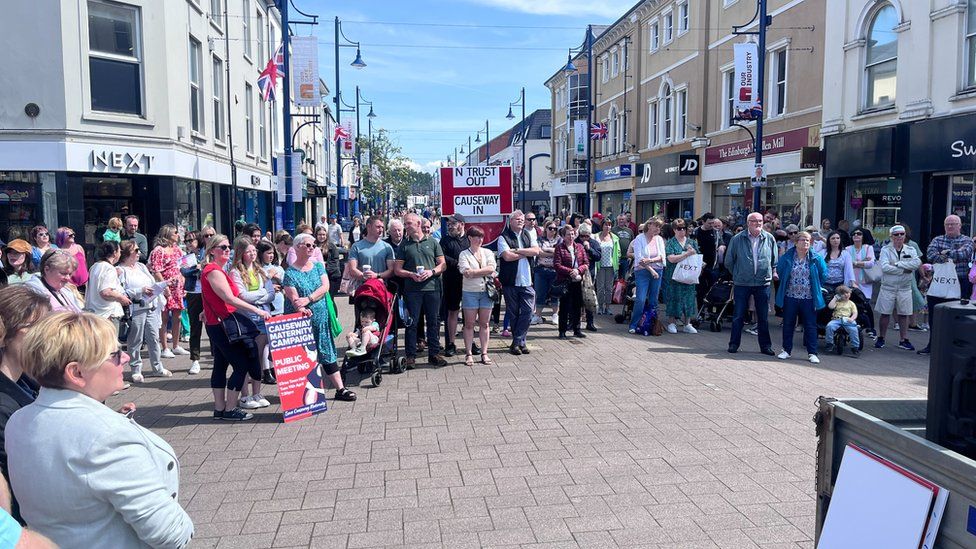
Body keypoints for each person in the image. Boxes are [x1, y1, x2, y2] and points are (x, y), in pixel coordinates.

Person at [6, 312, 194, 548]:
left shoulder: (19, 420)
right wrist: (185, 526)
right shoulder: (107, 436)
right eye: (114, 355)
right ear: (76, 373)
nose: (125, 357)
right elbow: (169, 533)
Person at [202, 235, 274, 420]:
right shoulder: (213, 270)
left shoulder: (218, 270)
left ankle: (220, 409)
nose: (227, 250)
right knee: (241, 365)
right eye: (222, 247)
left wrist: (204, 311)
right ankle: (230, 409)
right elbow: (230, 298)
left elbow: (213, 297)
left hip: (217, 322)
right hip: (222, 324)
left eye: (228, 247)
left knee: (220, 365)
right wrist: (257, 311)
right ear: (212, 251)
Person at [283, 233, 356, 401]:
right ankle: (303, 395)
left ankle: (340, 389)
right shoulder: (290, 274)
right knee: (303, 357)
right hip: (300, 324)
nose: (311, 248)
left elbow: (325, 286)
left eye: (313, 245)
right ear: (297, 247)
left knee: (327, 353)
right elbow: (293, 298)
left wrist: (308, 299)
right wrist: (300, 306)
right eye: (307, 245)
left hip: (321, 320)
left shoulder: (317, 266)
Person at [0, 286, 50, 524]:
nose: (47, 337)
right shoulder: (3, 404)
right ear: (6, 334)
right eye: (38, 328)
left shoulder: (28, 381)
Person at [394, 213, 448, 367]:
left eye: (409, 223)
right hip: (412, 290)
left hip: (433, 288)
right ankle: (410, 355)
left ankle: (434, 353)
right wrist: (411, 274)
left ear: (418, 223)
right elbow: (397, 269)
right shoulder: (404, 245)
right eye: (405, 223)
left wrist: (431, 272)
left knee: (433, 321)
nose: (406, 226)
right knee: (412, 322)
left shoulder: (432, 242)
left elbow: (442, 265)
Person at [228, 237, 273, 409]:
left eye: (254, 251)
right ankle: (244, 395)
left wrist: (261, 294)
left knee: (260, 356)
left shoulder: (260, 270)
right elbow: (242, 296)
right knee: (248, 356)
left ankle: (257, 392)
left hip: (263, 316)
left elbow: (271, 294)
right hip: (246, 317)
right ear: (241, 253)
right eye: (249, 251)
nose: (253, 254)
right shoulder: (235, 272)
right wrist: (262, 294)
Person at [919, 215, 974, 355]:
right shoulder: (937, 239)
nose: (950, 227)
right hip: (938, 282)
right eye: (947, 224)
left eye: (953, 224)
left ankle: (954, 348)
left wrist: (945, 253)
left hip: (960, 283)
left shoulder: (966, 240)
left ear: (960, 226)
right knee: (935, 316)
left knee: (957, 316)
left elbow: (965, 253)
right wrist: (950, 256)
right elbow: (931, 254)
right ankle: (933, 345)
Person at [725, 212, 778, 355]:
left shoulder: (769, 238)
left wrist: (770, 273)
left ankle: (765, 346)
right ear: (748, 223)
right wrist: (738, 274)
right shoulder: (737, 239)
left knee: (763, 317)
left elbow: (774, 260)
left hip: (762, 283)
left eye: (760, 221)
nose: (758, 223)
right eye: (754, 221)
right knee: (738, 315)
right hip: (742, 282)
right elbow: (729, 261)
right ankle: (734, 344)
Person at [118, 241, 171, 383]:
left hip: (151, 305)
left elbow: (151, 281)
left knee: (154, 338)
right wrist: (140, 290)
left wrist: (162, 285)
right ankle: (136, 369)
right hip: (136, 308)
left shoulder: (141, 266)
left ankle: (157, 367)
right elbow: (121, 292)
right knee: (135, 339)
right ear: (127, 253)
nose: (139, 252)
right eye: (136, 250)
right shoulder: (120, 270)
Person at [774, 231, 827, 363]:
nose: (805, 242)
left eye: (808, 240)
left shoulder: (816, 257)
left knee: (810, 325)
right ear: (796, 242)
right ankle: (786, 350)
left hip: (808, 297)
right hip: (790, 295)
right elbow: (780, 270)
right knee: (788, 323)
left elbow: (823, 274)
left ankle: (812, 353)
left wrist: (815, 285)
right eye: (802, 240)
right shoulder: (788, 256)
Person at [497, 210, 541, 355]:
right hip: (510, 282)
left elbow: (536, 251)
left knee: (528, 312)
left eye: (522, 219)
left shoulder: (527, 235)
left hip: (527, 281)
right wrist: (525, 252)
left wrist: (518, 250)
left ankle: (517, 341)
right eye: (518, 219)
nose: (521, 221)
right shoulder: (503, 237)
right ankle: (521, 343)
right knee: (514, 313)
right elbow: (507, 257)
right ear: (511, 221)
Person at [875, 225, 922, 351]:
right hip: (888, 287)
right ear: (891, 237)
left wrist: (897, 264)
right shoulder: (885, 250)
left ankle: (904, 339)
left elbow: (917, 263)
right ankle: (881, 337)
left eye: (902, 234)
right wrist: (904, 269)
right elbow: (884, 267)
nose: (899, 237)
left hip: (904, 287)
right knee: (885, 313)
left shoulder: (911, 249)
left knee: (904, 314)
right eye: (896, 234)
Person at [457, 226, 497, 366]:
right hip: (470, 292)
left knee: (485, 324)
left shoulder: (488, 252)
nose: (480, 240)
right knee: (469, 324)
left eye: (481, 237)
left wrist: (474, 272)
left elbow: (492, 268)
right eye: (476, 237)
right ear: (469, 238)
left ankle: (484, 353)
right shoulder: (464, 254)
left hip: (486, 292)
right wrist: (483, 272)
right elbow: (466, 272)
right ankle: (468, 353)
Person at [148, 224, 188, 359]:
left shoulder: (177, 250)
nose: (177, 234)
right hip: (165, 286)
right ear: (167, 234)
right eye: (175, 232)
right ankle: (164, 347)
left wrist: (184, 283)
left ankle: (176, 345)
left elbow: (182, 267)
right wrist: (164, 287)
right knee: (164, 317)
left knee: (178, 316)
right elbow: (156, 271)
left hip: (178, 287)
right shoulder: (159, 251)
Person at [628, 218, 667, 334]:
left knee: (654, 300)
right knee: (640, 299)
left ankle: (652, 324)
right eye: (657, 226)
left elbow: (662, 257)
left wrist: (650, 260)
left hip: (658, 270)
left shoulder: (659, 239)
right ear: (649, 225)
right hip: (642, 272)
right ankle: (634, 324)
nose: (658, 229)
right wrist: (651, 269)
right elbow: (639, 259)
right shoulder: (639, 239)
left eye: (660, 227)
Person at [438, 214, 469, 356]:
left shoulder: (469, 239)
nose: (449, 225)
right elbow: (441, 257)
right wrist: (459, 264)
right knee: (452, 311)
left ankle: (470, 342)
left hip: (469, 280)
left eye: (453, 223)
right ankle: (451, 343)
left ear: (461, 224)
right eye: (448, 223)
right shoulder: (445, 240)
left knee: (470, 312)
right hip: (451, 280)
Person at [84, 241, 130, 334]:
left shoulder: (94, 266)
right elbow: (105, 292)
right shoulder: (109, 268)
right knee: (110, 347)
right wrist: (121, 298)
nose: (120, 254)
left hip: (94, 314)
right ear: (114, 253)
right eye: (119, 251)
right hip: (108, 315)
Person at [664, 219, 700, 334]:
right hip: (674, 277)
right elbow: (671, 258)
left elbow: (697, 256)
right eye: (679, 228)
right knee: (674, 298)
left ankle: (687, 323)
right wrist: (686, 254)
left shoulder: (692, 242)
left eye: (684, 228)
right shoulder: (671, 243)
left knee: (689, 299)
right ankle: (672, 322)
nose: (682, 230)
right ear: (674, 229)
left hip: (688, 277)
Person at [554, 225, 589, 339]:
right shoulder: (559, 248)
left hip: (578, 281)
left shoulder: (579, 247)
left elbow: (586, 263)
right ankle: (562, 331)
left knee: (577, 306)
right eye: (568, 234)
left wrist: (578, 271)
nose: (571, 236)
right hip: (565, 281)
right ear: (563, 236)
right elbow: (557, 265)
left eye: (573, 234)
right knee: (564, 307)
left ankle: (577, 329)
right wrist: (571, 272)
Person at [180, 231, 205, 375]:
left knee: (214, 325)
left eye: (191, 240)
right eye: (187, 241)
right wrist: (196, 268)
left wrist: (200, 267)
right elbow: (184, 271)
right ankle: (195, 360)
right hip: (193, 293)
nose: (189, 243)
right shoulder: (186, 257)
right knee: (195, 327)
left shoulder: (206, 252)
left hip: (208, 292)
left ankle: (217, 356)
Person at [534, 220, 560, 324]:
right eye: (550, 228)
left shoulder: (559, 240)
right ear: (546, 229)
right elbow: (538, 252)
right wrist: (552, 251)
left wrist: (546, 250)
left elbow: (559, 252)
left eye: (555, 229)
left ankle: (555, 315)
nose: (552, 230)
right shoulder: (540, 239)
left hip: (555, 270)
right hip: (541, 269)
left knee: (555, 293)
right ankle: (538, 316)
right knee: (540, 293)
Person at [824, 285, 860, 356]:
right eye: (843, 294)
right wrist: (835, 298)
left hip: (847, 320)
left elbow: (855, 313)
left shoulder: (851, 303)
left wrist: (852, 319)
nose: (846, 295)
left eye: (847, 293)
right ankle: (829, 343)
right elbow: (830, 307)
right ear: (839, 295)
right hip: (837, 319)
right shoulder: (837, 302)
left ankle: (855, 347)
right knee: (829, 326)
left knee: (854, 330)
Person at [594, 217, 619, 316]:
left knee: (609, 288)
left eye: (609, 225)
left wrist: (617, 262)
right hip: (600, 265)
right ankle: (600, 306)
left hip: (610, 266)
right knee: (600, 288)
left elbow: (618, 251)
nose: (608, 226)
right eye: (606, 224)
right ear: (602, 225)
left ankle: (608, 307)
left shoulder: (614, 238)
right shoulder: (596, 236)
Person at [846, 228, 876, 300]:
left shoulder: (868, 248)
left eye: (859, 234)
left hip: (865, 283)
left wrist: (855, 263)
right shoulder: (847, 249)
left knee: (865, 305)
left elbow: (871, 264)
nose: (856, 235)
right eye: (854, 234)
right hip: (851, 283)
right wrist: (863, 261)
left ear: (863, 236)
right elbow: (847, 265)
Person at [314, 226, 342, 296]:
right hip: (316, 276)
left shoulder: (331, 246)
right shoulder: (313, 246)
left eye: (324, 235)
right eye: (320, 235)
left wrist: (324, 268)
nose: (322, 236)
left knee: (330, 298)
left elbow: (335, 262)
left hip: (331, 276)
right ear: (316, 235)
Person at [613, 214, 635, 278]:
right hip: (617, 258)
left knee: (624, 277)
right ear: (617, 220)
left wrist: (631, 256)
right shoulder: (613, 230)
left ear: (625, 220)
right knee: (615, 277)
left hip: (626, 258)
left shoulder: (629, 231)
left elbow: (632, 244)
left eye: (622, 219)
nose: (621, 221)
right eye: (619, 219)